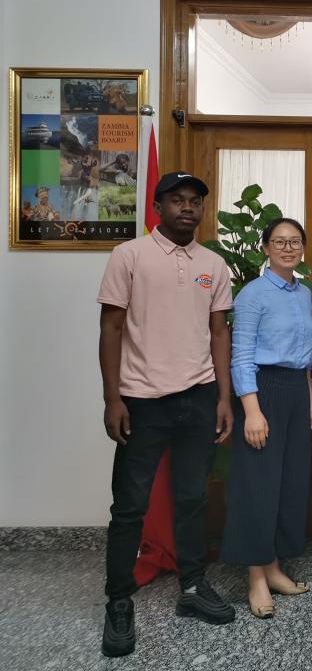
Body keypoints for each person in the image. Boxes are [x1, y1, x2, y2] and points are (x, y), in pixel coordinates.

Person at [96, 171, 235, 658]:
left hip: (198, 397)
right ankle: (118, 602)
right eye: (177, 200)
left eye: (195, 201)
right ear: (159, 207)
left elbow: (219, 332)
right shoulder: (129, 256)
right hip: (142, 399)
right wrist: (113, 398)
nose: (187, 208)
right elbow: (111, 328)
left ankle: (192, 586)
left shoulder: (213, 264)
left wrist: (223, 397)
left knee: (192, 497)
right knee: (129, 506)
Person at [221, 218, 312, 619]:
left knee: (289, 483)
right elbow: (241, 355)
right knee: (258, 485)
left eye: (295, 242)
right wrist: (252, 410)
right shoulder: (252, 294)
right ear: (265, 248)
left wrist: (308, 398)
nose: (288, 248)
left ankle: (274, 567)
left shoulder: (305, 294)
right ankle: (256, 578)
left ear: (302, 248)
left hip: (296, 390)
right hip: (263, 391)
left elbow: (305, 355)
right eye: (279, 241)